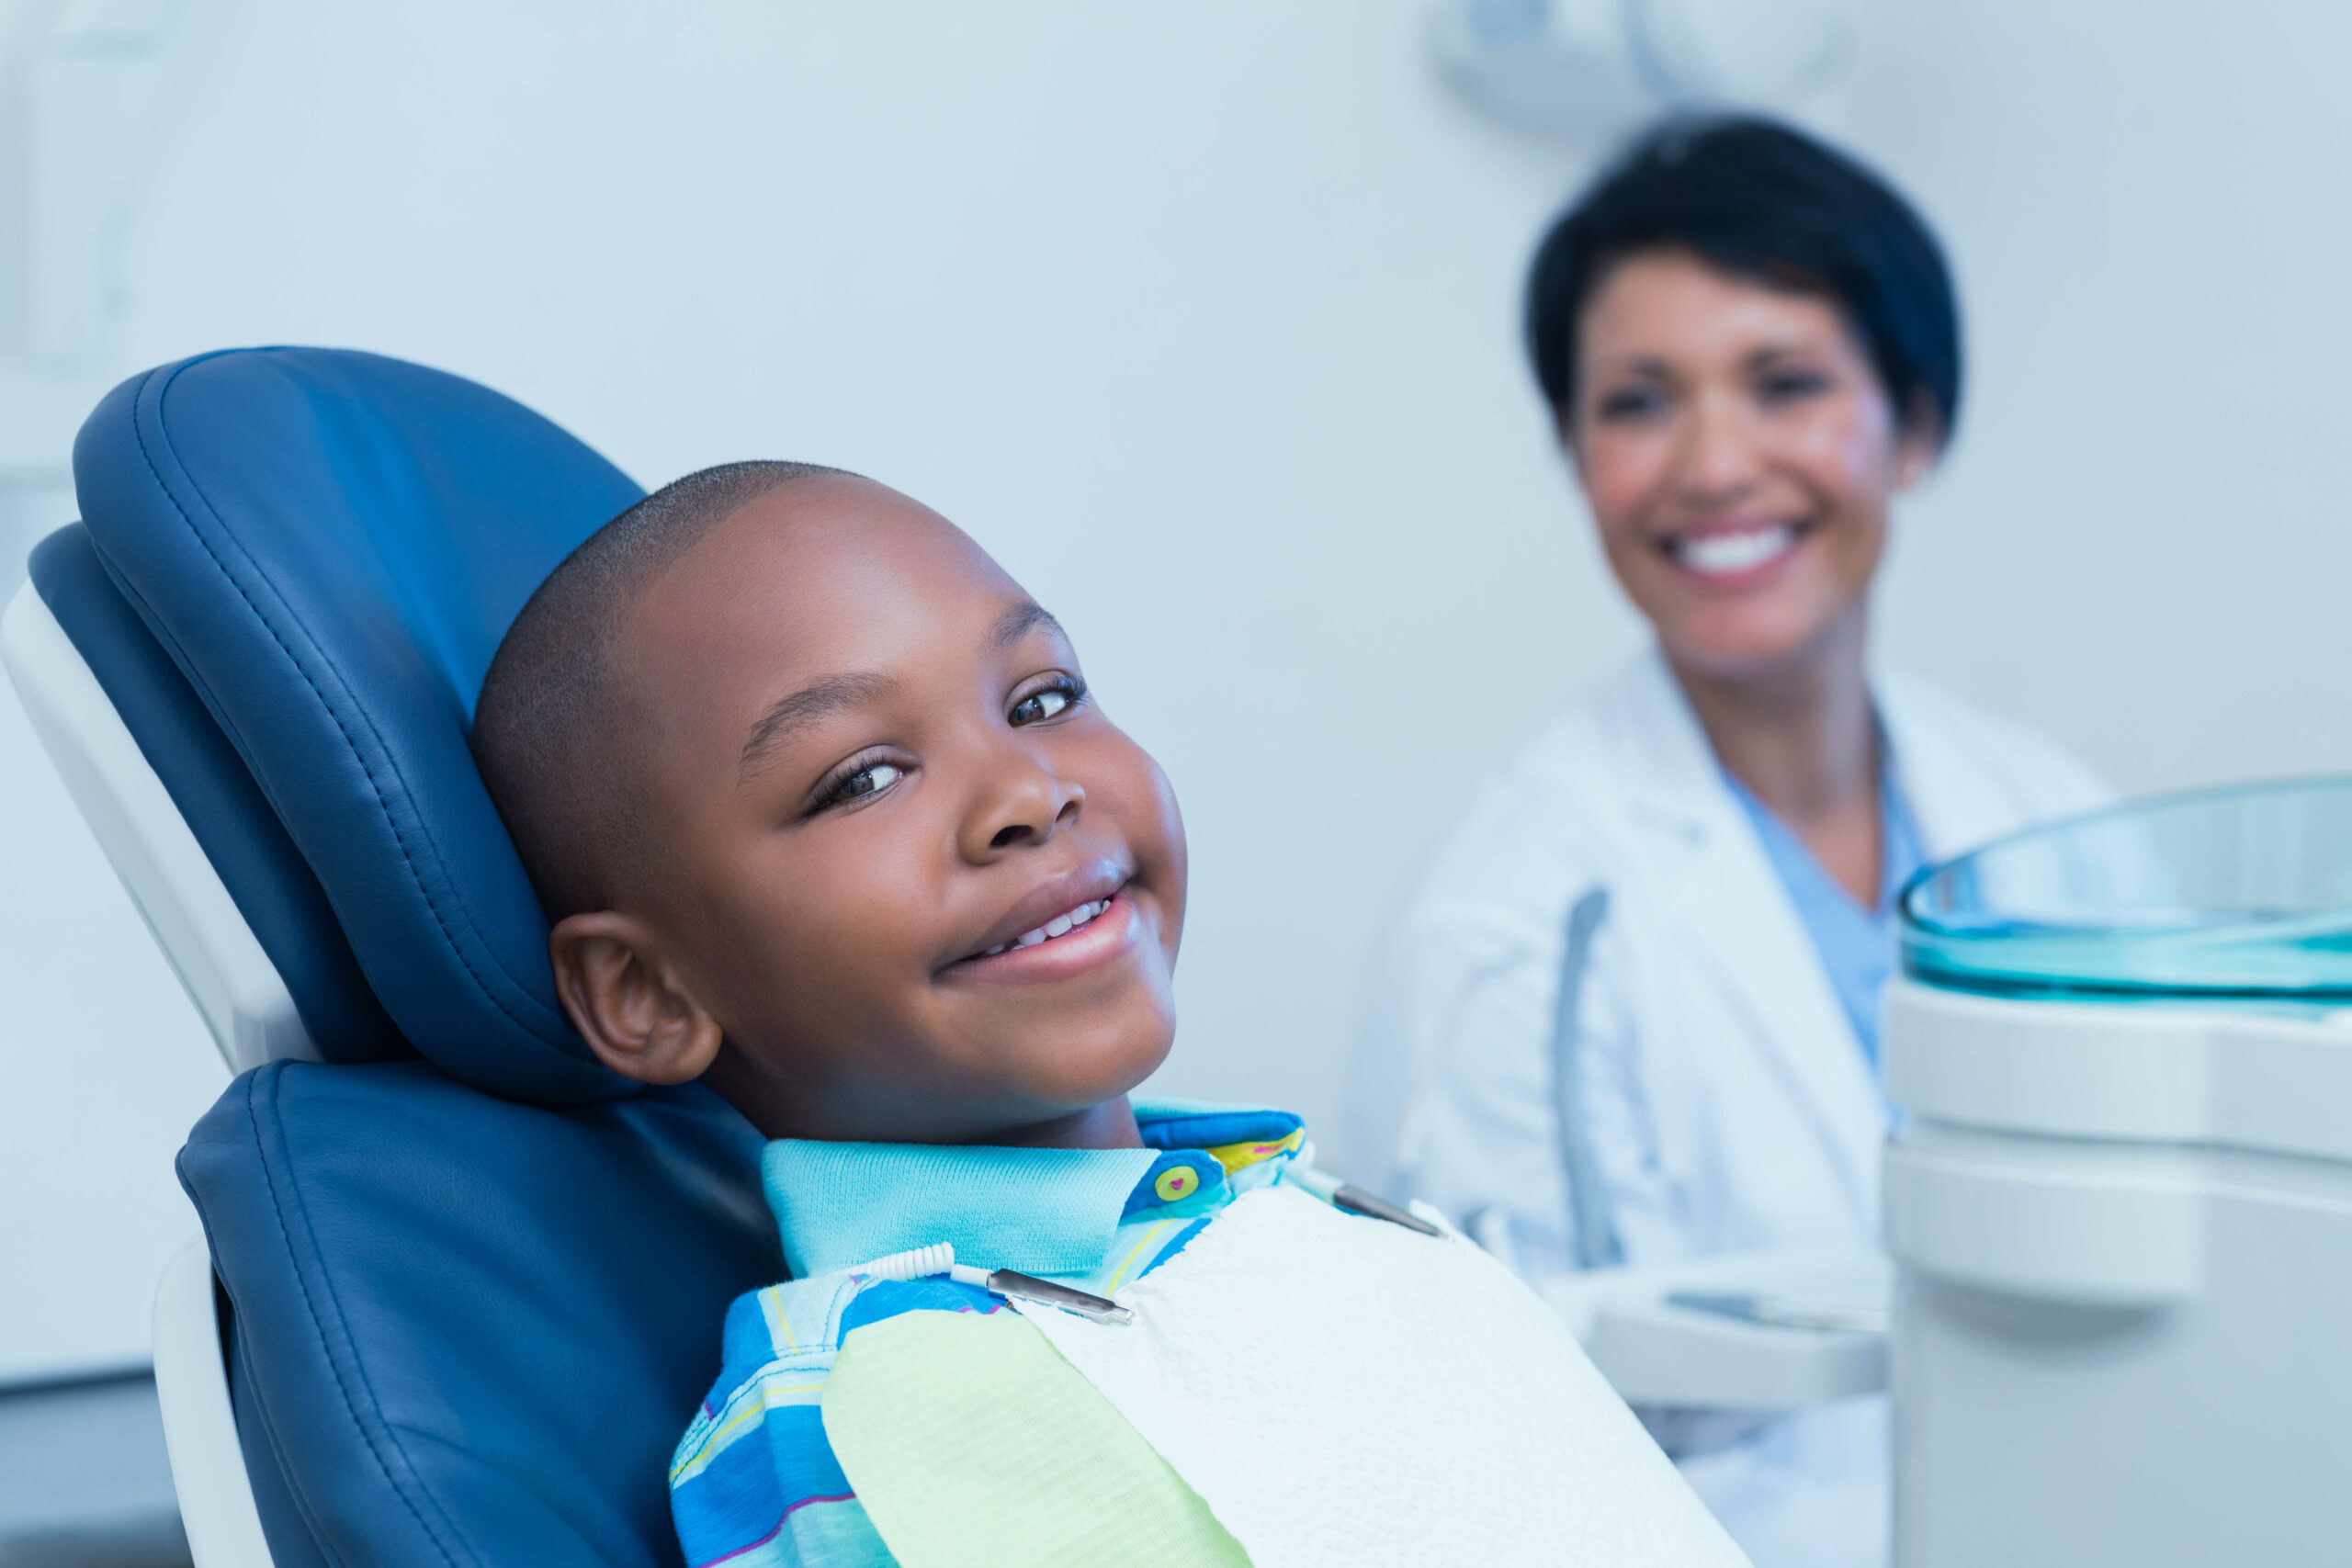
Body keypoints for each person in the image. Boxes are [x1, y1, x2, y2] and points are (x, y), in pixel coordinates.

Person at [468, 462, 1751, 1567]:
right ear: (648, 992)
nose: (1028, 788)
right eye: (863, 777)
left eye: (1040, 700)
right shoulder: (870, 1408)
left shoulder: (1302, 1217)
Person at [1342, 116, 2112, 1568]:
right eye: (1637, 402)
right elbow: (1499, 1459)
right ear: (1576, 456)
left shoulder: (2048, 821)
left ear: (1917, 421)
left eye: (1787, 383)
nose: (1713, 464)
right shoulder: (1510, 924)